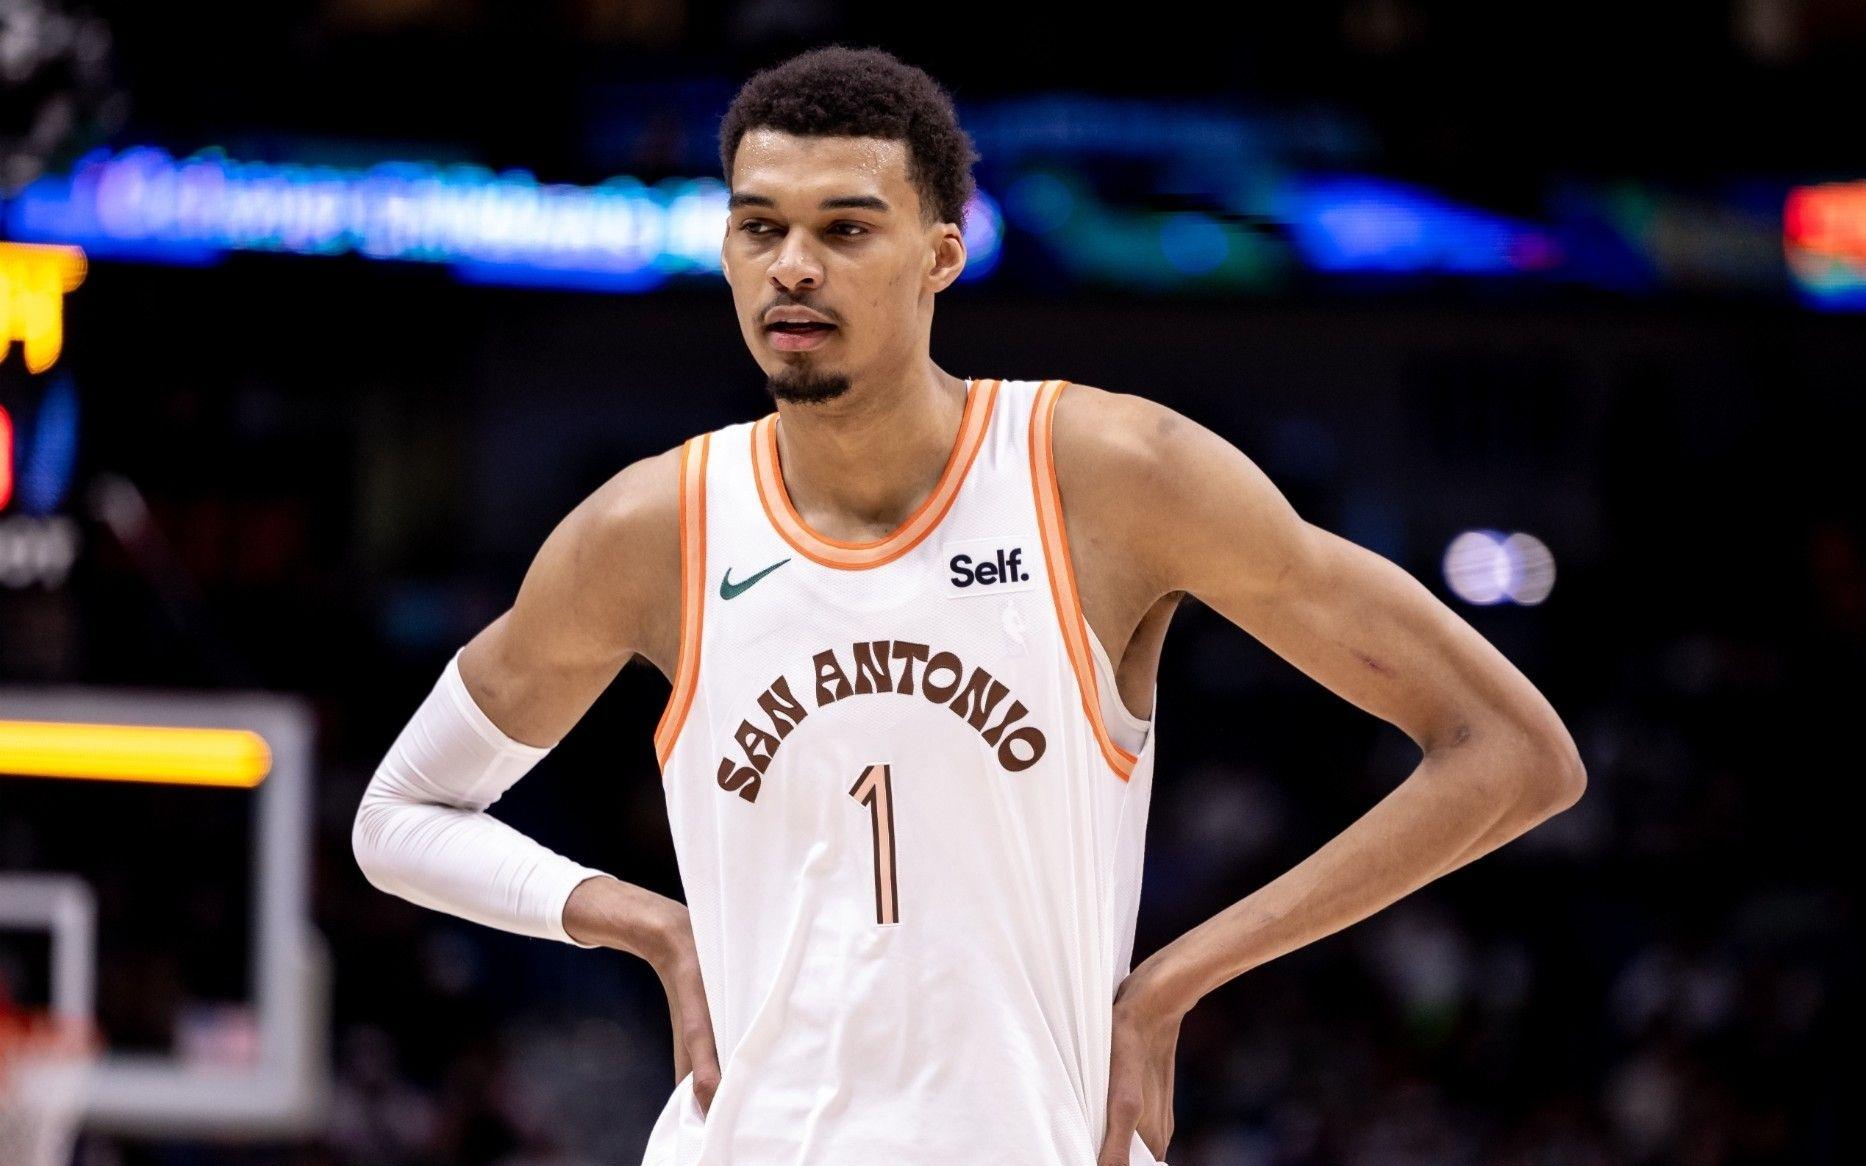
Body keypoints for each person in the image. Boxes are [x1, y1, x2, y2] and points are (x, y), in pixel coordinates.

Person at [351, 44, 1587, 1166]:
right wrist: (643, 923)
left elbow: (1512, 751)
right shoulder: (649, 529)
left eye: (847, 227)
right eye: (759, 226)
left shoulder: (1111, 475)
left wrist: (1175, 982)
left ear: (944, 251)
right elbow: (399, 813)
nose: (793, 265)